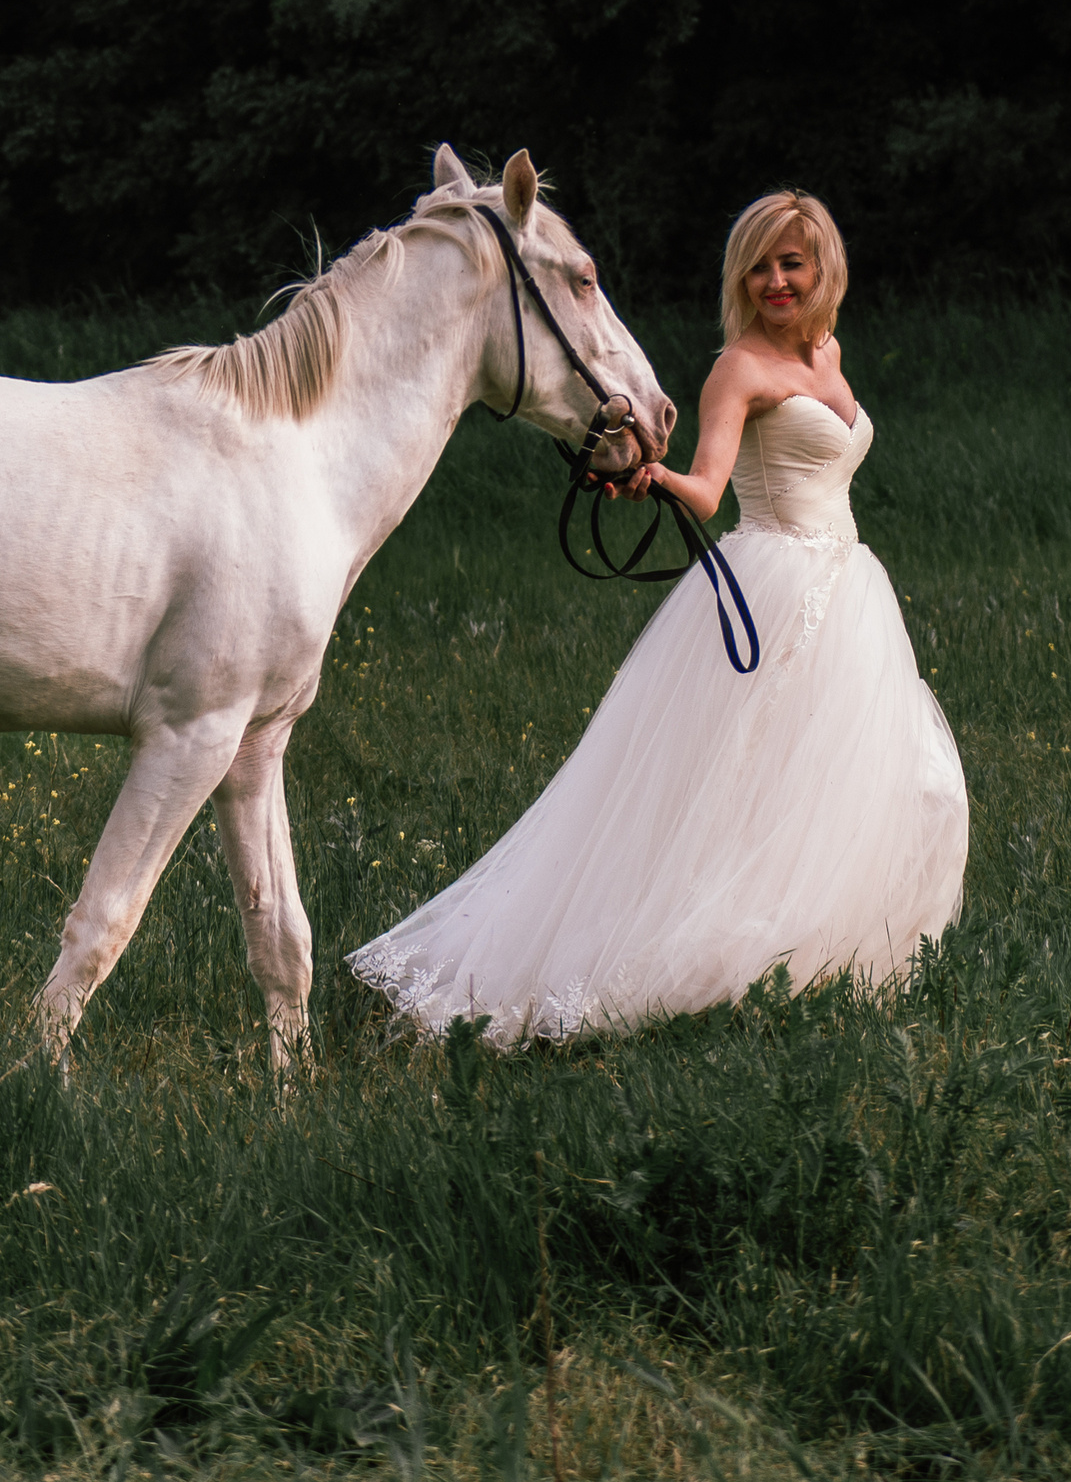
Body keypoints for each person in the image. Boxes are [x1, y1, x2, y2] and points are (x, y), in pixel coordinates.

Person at [349, 190, 967, 1043]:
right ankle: (694, 962)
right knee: (735, 788)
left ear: (825, 268)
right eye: (758, 265)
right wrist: (653, 479)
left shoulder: (829, 352)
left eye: (792, 262)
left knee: (848, 785)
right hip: (773, 583)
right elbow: (710, 491)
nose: (775, 281)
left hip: (851, 590)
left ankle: (810, 961)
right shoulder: (739, 369)